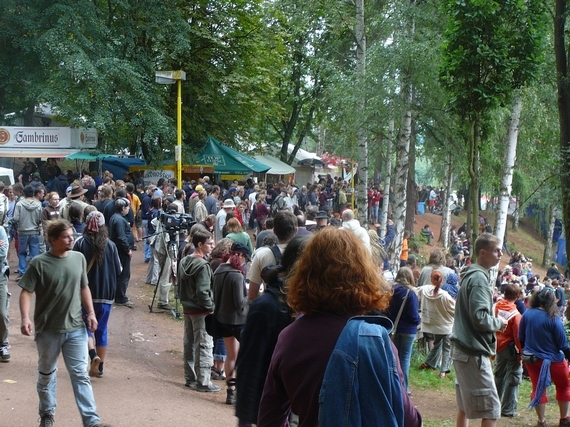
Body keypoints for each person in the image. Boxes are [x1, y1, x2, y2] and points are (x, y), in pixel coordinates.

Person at [257, 227, 422, 427]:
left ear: (305, 275)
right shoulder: (375, 339)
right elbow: (409, 420)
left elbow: (269, 419)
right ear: (363, 277)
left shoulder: (290, 339)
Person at [18, 219, 112, 427]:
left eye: (72, 235)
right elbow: (26, 292)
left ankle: (91, 421)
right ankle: (47, 414)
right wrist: (25, 318)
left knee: (80, 375)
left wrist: (90, 313)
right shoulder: (39, 263)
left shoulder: (78, 258)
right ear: (53, 240)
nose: (72, 239)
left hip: (76, 328)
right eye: (66, 236)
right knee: (46, 375)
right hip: (48, 329)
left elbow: (83, 287)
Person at [236, 234, 311, 427]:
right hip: (271, 411)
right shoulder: (267, 307)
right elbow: (250, 365)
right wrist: (246, 419)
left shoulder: (308, 306)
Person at [450, 233, 508, 427]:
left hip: (463, 351)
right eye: (496, 250)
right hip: (472, 353)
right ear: (482, 253)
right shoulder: (479, 280)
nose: (500, 254)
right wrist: (499, 323)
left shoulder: (470, 276)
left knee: (465, 406)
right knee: (492, 408)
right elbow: (480, 318)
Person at [73, 211, 122, 379]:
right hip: (106, 295)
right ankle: (100, 368)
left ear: (87, 225)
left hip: (84, 295)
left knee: (83, 328)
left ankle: (92, 355)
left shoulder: (79, 243)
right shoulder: (111, 245)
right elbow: (119, 270)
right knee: (101, 330)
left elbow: (72, 269)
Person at [519, 288, 570, 427]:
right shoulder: (554, 318)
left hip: (532, 359)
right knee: (564, 386)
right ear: (552, 301)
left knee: (538, 388)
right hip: (554, 360)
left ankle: (541, 421)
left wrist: (525, 351)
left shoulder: (527, 314)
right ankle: (564, 419)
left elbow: (521, 337)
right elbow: (563, 345)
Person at [179, 228, 220, 392]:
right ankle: (203, 381)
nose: (212, 246)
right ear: (200, 244)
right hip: (201, 311)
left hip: (188, 309)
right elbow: (203, 291)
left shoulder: (184, 261)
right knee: (204, 345)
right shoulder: (202, 265)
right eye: (209, 244)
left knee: (189, 344)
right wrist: (210, 307)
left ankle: (190, 377)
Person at [212, 242, 251, 405]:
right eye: (245, 259)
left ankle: (231, 392)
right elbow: (239, 302)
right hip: (238, 321)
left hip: (222, 319)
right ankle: (245, 393)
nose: (245, 263)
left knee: (231, 356)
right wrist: (252, 297)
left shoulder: (218, 270)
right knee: (247, 356)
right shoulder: (236, 274)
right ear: (240, 256)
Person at [385, 266, 421, 394]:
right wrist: (419, 321)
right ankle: (404, 387)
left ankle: (392, 384)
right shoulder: (410, 293)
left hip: (392, 329)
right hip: (408, 330)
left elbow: (386, 310)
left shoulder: (390, 291)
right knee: (405, 358)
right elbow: (413, 315)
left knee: (393, 357)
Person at [247, 210, 297, 301]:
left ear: (274, 231)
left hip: (272, 307)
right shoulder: (305, 254)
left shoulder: (261, 255)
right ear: (296, 231)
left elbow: (252, 295)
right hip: (297, 309)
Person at [417, 270, 455, 379]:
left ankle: (429, 363)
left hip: (432, 324)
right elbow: (454, 310)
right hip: (446, 326)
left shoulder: (424, 289)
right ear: (441, 280)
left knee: (437, 343)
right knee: (447, 347)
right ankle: (443, 372)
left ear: (431, 278)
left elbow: (414, 291)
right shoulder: (445, 296)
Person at [493, 283, 523, 419]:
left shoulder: (497, 306)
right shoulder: (516, 315)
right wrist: (521, 352)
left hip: (498, 345)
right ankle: (508, 408)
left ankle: (494, 404)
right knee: (514, 377)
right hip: (511, 348)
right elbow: (518, 336)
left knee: (499, 375)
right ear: (516, 297)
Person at [108, 198, 134, 308]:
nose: (129, 209)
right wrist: (127, 249)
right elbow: (121, 236)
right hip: (122, 250)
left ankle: (119, 295)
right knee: (124, 274)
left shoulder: (116, 217)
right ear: (123, 208)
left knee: (120, 273)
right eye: (128, 207)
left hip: (119, 249)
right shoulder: (119, 220)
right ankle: (121, 297)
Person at [14, 185, 42, 279]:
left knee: (22, 252)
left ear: (24, 193)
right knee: (34, 252)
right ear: (33, 193)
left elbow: (15, 218)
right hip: (34, 231)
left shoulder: (19, 204)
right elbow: (40, 219)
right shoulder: (38, 204)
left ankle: (22, 272)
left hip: (22, 232)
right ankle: (34, 273)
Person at [0, 225, 9, 362]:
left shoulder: (0, 230)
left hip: (0, 276)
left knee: (2, 312)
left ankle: (3, 343)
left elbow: (2, 253)